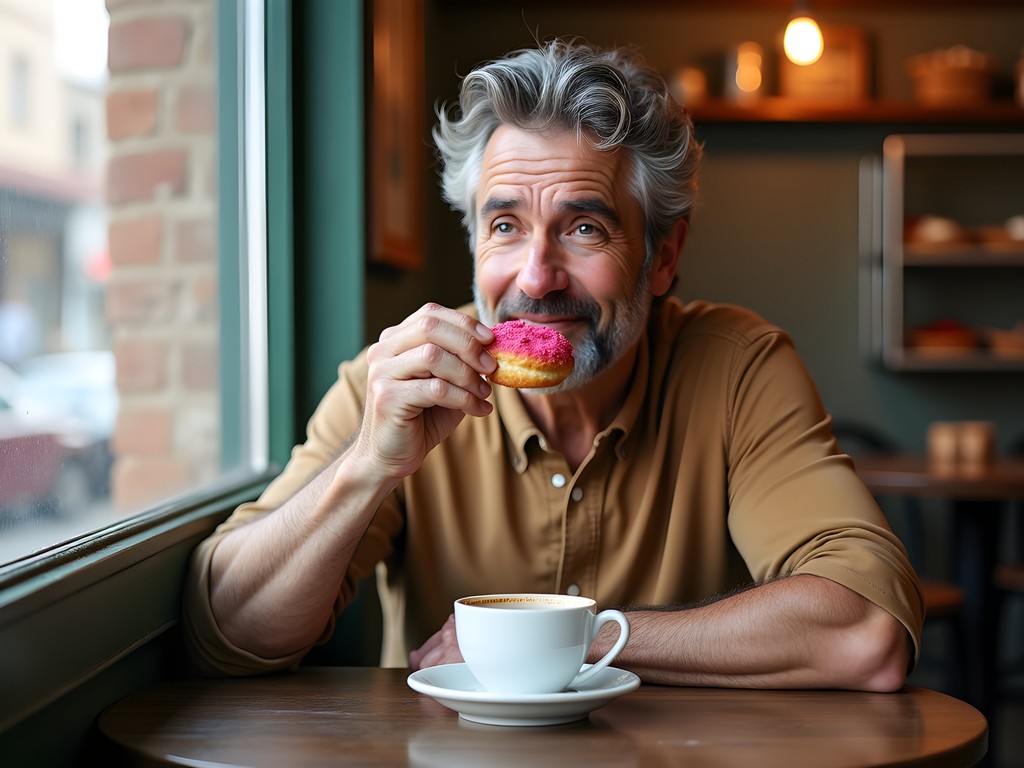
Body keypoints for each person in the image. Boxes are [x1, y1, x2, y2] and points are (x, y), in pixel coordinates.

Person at [184, 38, 924, 689]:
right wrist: (367, 468)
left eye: (584, 227)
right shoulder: (396, 383)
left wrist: (585, 639)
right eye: (505, 225)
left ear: (663, 258)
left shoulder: (738, 370)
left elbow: (866, 631)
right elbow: (232, 632)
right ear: (474, 241)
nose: (537, 278)